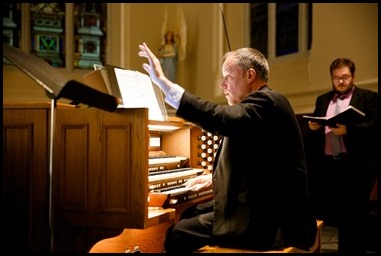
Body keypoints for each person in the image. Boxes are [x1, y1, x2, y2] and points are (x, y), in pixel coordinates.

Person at [138, 42, 317, 253]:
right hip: (264, 204)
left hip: (269, 222)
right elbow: (260, 164)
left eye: (228, 76)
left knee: (178, 234)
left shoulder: (267, 101)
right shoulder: (260, 108)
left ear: (250, 76)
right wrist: (214, 178)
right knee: (189, 213)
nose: (222, 84)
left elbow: (218, 117)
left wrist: (163, 82)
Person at [307, 58, 378, 254]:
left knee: (358, 212)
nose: (340, 81)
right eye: (336, 78)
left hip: (358, 165)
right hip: (331, 164)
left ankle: (358, 250)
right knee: (340, 214)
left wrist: (349, 130)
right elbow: (318, 123)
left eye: (345, 77)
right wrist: (313, 127)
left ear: (353, 76)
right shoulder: (323, 100)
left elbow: (374, 125)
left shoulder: (368, 98)